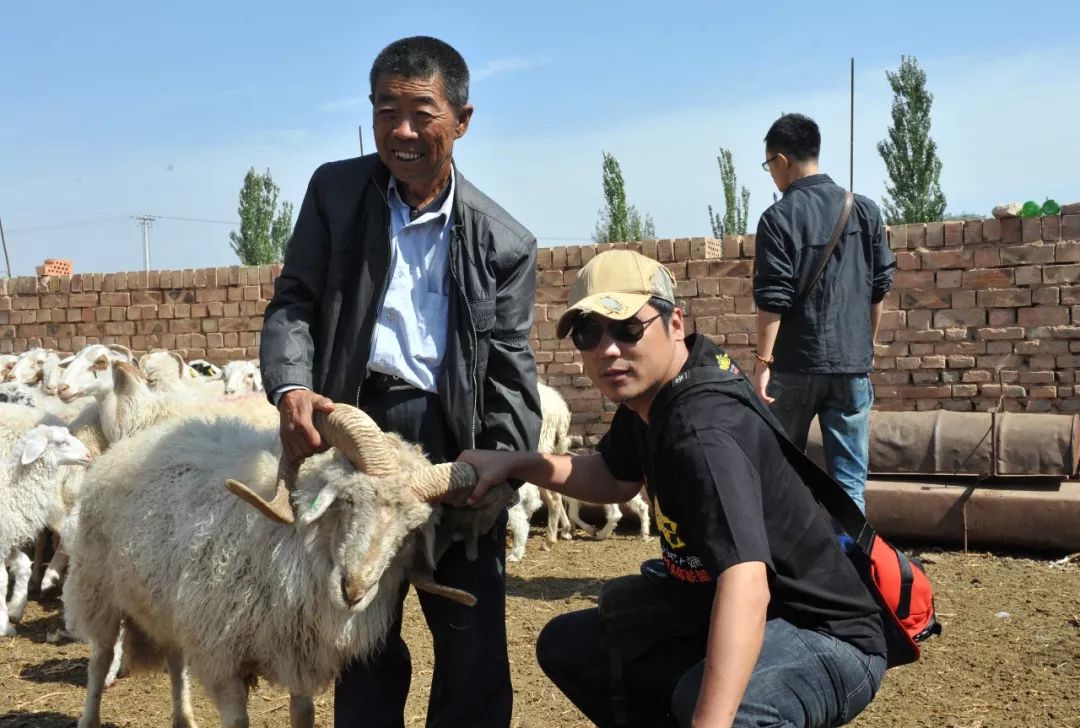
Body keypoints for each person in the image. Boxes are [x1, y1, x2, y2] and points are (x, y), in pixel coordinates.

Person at [458, 250, 888, 728]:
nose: (608, 349)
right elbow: (614, 476)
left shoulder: (701, 432)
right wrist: (516, 462)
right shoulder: (655, 395)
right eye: (588, 333)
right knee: (574, 646)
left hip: (825, 634)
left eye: (626, 328)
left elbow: (746, 583)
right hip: (735, 614)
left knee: (719, 707)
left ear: (675, 322)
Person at [258, 36, 542, 728]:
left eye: (423, 113)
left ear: (463, 120)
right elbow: (295, 300)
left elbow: (509, 367)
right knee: (362, 635)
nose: (403, 131)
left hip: (452, 447)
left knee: (469, 639)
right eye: (388, 110)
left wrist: (498, 470)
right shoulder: (336, 193)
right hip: (356, 437)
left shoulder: (503, 241)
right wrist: (292, 386)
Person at [751, 113, 896, 513]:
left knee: (782, 473)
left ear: (781, 160)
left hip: (795, 365)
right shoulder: (865, 210)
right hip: (851, 365)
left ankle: (791, 568)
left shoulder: (777, 218)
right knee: (849, 483)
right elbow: (879, 286)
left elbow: (772, 297)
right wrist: (867, 343)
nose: (771, 175)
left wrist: (763, 361)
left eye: (768, 166)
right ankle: (854, 569)